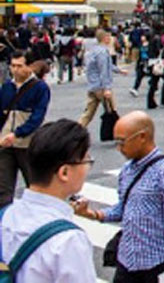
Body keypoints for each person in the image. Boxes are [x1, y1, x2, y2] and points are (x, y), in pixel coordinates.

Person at [73, 111, 164, 282]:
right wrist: (92, 214)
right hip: (126, 261)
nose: (119, 148)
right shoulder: (127, 170)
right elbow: (123, 208)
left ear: (142, 137)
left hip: (154, 263)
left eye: (122, 141)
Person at [0, 119, 97, 282]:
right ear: (64, 172)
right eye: (86, 160)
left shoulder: (5, 216)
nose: (88, 167)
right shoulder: (68, 240)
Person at [0, 51, 51, 206]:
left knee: (34, 184)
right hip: (5, 142)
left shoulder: (40, 88)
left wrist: (18, 133)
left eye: (19, 66)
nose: (15, 70)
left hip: (27, 143)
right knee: (3, 187)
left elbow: (37, 116)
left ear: (29, 66)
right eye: (13, 66)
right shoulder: (7, 86)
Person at [78, 29, 125, 127]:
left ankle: (77, 129)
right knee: (112, 110)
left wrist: (119, 70)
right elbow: (104, 70)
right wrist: (107, 88)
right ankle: (116, 131)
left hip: (92, 85)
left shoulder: (93, 51)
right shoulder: (103, 52)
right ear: (105, 38)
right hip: (101, 87)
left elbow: (105, 66)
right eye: (108, 36)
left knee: (88, 112)